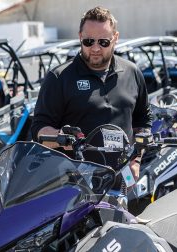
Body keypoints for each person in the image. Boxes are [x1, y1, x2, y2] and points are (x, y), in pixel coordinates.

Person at [31, 6, 152, 186]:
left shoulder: (132, 72)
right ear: (80, 37)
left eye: (103, 42)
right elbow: (39, 130)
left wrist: (136, 160)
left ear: (115, 39)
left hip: (122, 181)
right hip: (75, 184)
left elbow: (143, 120)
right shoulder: (59, 78)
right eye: (88, 41)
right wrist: (60, 136)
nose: (95, 48)